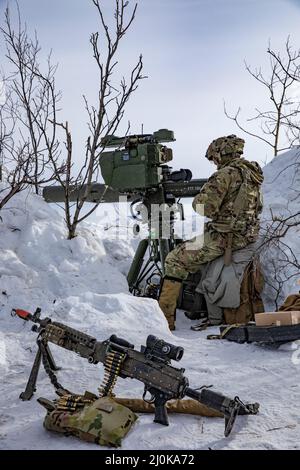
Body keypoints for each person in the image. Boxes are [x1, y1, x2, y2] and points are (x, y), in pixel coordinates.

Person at [158, 134, 264, 330]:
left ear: (221, 154)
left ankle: (165, 321)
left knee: (174, 260)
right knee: (191, 247)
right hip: (245, 235)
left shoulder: (225, 174)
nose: (214, 162)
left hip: (225, 238)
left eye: (214, 157)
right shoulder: (252, 174)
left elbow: (205, 208)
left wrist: (200, 197)